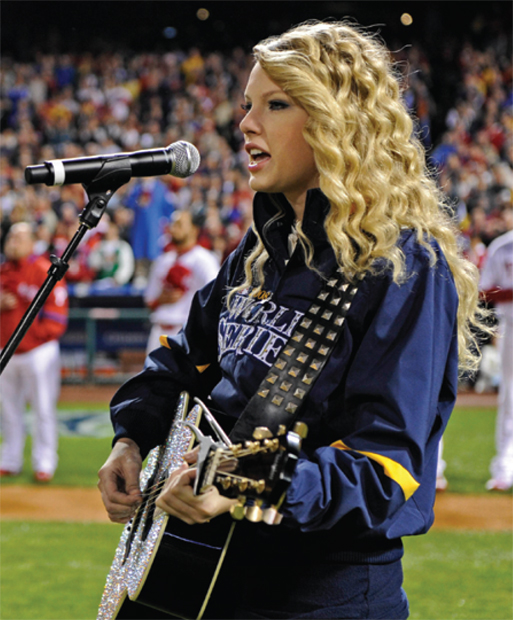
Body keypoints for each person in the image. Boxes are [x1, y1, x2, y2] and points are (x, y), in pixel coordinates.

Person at [98, 21, 490, 619]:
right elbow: (184, 358)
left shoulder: (405, 268)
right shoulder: (262, 249)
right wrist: (133, 436)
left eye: (276, 105)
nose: (246, 124)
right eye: (247, 105)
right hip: (213, 575)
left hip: (319, 593)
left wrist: (239, 483)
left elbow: (387, 469)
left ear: (337, 122)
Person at [0, 222, 69, 482]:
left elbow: (57, 312)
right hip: (6, 349)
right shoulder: (3, 271)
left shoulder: (43, 270)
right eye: (11, 237)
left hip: (37, 351)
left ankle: (45, 462)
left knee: (42, 408)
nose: (13, 242)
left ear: (31, 243)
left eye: (20, 238)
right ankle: (10, 459)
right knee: (8, 410)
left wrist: (38, 337)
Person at [144, 209, 220, 353]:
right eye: (173, 224)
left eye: (179, 224)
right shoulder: (162, 260)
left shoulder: (204, 260)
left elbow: (215, 298)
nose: (173, 228)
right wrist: (161, 299)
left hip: (187, 332)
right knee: (153, 375)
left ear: (194, 230)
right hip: (159, 330)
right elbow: (149, 300)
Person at [479, 217, 513, 492]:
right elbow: (483, 291)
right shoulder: (502, 247)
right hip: (511, 327)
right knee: (510, 398)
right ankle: (504, 468)